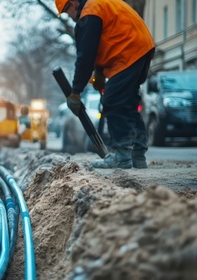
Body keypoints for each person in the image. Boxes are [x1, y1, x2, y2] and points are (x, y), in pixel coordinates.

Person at [55, 0, 155, 169]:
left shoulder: (89, 14)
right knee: (128, 101)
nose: (70, 17)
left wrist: (76, 92)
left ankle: (122, 155)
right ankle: (138, 154)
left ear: (71, 4)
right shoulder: (100, 5)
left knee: (112, 101)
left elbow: (85, 57)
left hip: (127, 51)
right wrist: (100, 73)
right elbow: (104, 41)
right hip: (141, 48)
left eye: (67, 12)